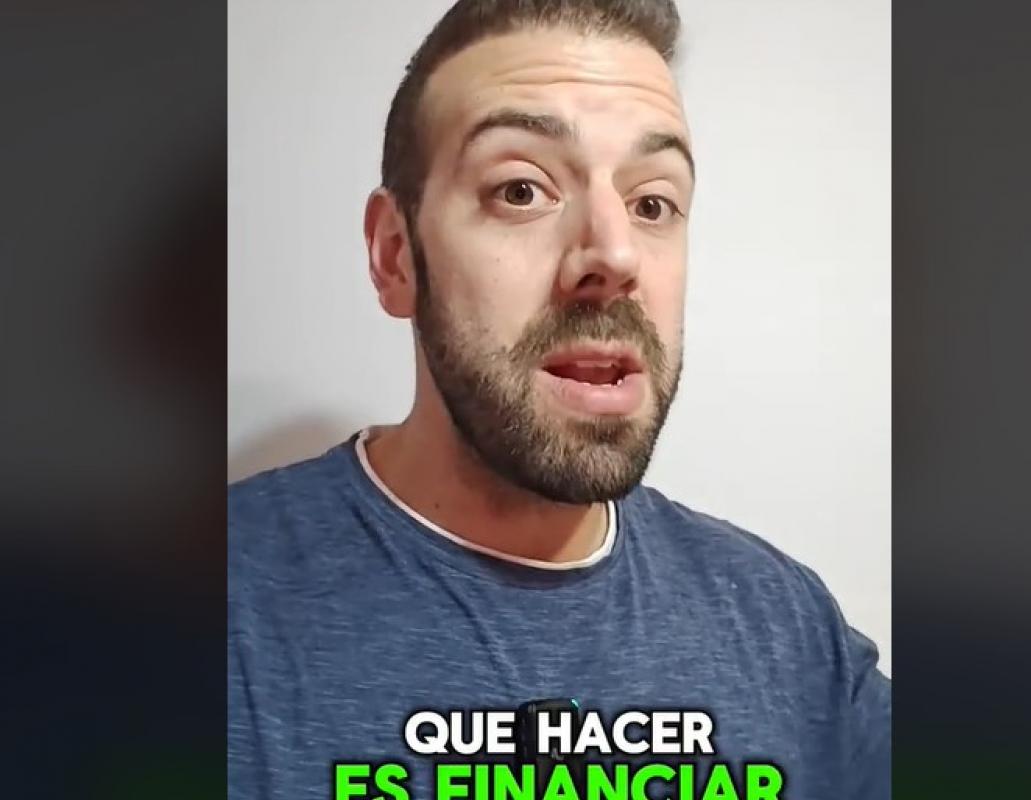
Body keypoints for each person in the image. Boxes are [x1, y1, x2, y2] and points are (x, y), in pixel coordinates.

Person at [228, 1, 890, 798]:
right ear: (396, 255)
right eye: (521, 189)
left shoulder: (785, 626)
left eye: (652, 203)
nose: (614, 254)